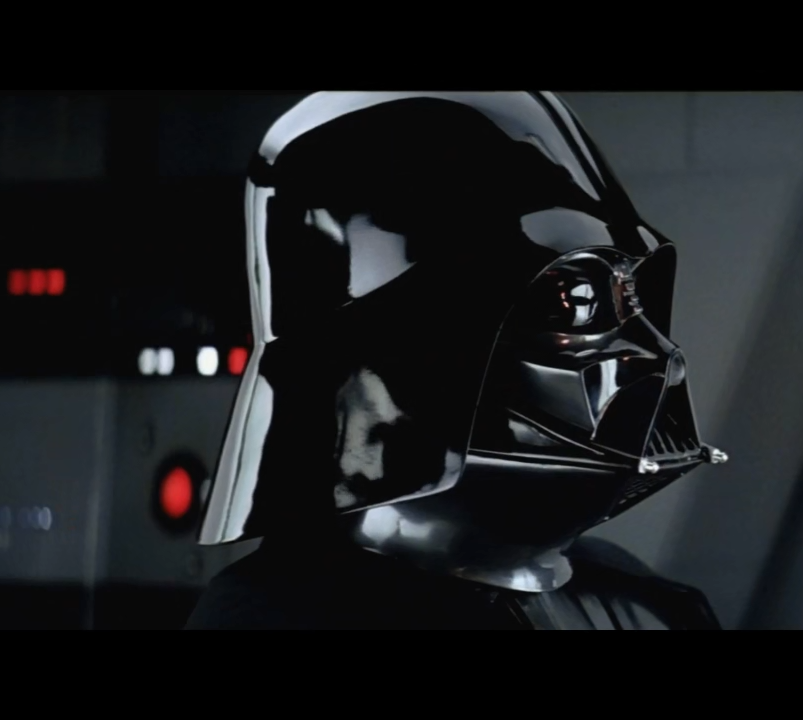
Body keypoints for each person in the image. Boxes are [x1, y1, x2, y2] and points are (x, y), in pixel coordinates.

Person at [185, 92, 728, 629]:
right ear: (421, 338)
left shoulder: (648, 606)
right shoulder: (276, 616)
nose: (664, 359)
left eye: (634, 294)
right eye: (577, 299)